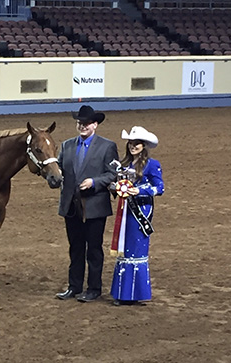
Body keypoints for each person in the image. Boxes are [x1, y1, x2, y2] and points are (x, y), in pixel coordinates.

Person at [56, 105, 118, 302]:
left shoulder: (107, 146)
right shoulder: (67, 146)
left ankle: (94, 288)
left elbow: (112, 174)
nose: (82, 126)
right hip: (72, 207)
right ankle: (74, 286)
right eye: (79, 123)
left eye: (86, 123)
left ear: (95, 124)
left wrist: (94, 182)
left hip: (94, 206)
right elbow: (59, 171)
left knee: (93, 249)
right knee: (75, 248)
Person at [110, 126, 164, 306]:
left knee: (136, 249)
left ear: (144, 145)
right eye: (131, 143)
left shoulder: (152, 164)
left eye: (137, 144)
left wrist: (138, 190)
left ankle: (132, 293)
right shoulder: (124, 165)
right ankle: (124, 293)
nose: (133, 146)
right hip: (125, 210)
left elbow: (159, 188)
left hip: (140, 211)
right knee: (124, 249)